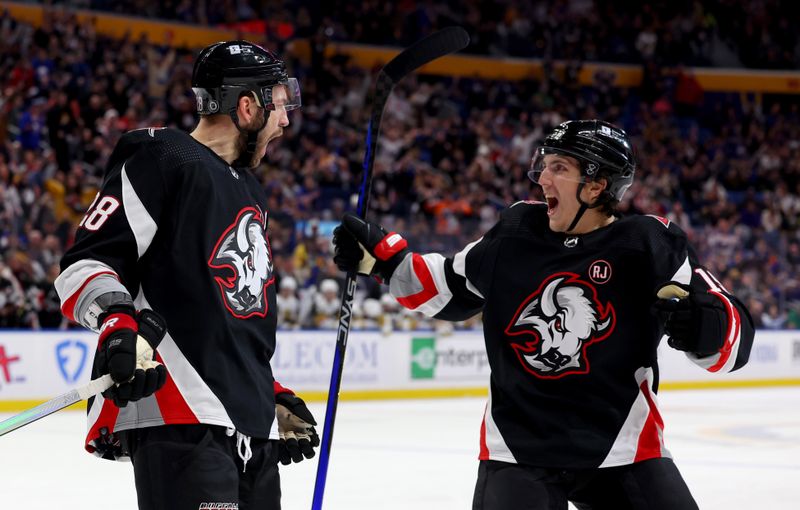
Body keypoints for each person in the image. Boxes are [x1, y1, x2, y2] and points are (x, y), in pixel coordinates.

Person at [333, 120, 754, 510]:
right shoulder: (517, 232)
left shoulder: (649, 243)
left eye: (559, 168)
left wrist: (705, 326)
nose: (543, 179)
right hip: (519, 447)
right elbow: (451, 288)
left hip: (621, 446)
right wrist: (385, 261)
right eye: (545, 165)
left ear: (596, 186)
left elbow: (732, 340)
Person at [55, 40, 318, 510]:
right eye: (279, 106)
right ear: (246, 106)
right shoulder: (162, 157)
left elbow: (225, 313)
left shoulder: (249, 190)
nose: (285, 121)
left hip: (250, 427)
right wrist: (118, 323)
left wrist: (269, 392)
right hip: (180, 413)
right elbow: (85, 263)